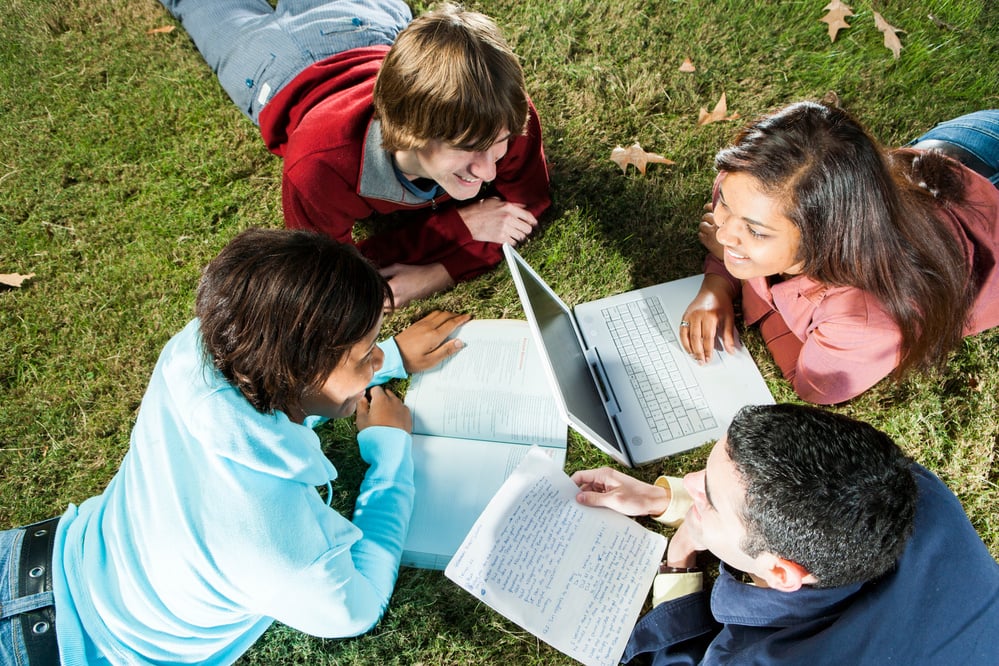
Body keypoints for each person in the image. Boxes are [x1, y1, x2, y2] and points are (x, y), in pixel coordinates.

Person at [0, 228, 471, 665]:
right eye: (365, 352)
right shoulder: (285, 551)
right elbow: (359, 609)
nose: (377, 358)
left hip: (26, 557)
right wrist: (390, 455)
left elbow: (287, 379)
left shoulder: (195, 349)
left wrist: (386, 359)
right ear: (297, 371)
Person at [156, 0, 551, 308]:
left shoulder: (500, 114)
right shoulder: (318, 168)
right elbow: (329, 275)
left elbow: (527, 205)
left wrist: (438, 273)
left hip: (362, 23)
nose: (487, 171)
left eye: (497, 146)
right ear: (409, 132)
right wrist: (461, 227)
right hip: (272, 67)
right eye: (466, 150)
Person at [571, 403, 999, 664]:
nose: (689, 477)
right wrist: (663, 500)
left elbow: (677, 659)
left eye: (711, 500)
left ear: (782, 574)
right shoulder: (910, 487)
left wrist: (680, 558)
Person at [679, 103, 999, 404]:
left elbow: (813, 386)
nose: (721, 233)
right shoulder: (754, 181)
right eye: (725, 205)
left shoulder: (866, 317)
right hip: (971, 145)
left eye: (756, 231)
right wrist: (717, 284)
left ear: (826, 238)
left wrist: (746, 285)